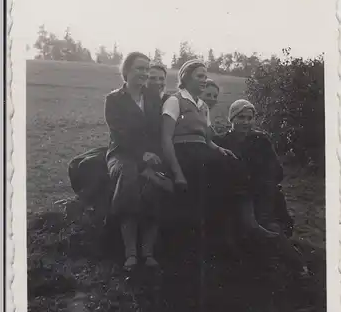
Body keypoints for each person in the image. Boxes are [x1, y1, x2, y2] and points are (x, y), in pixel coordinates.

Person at [161, 59, 278, 239]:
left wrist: (221, 150)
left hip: (202, 151)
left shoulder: (202, 106)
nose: (203, 80)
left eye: (205, 76)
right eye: (199, 76)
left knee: (234, 167)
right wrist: (177, 173)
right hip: (183, 152)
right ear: (186, 77)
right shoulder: (174, 100)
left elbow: (208, 140)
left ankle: (247, 222)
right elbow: (166, 138)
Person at [104, 52, 164, 269]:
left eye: (147, 69)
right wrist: (141, 156)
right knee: (128, 176)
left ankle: (147, 252)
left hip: (150, 153)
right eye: (140, 68)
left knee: (155, 183)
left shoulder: (153, 96)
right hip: (122, 153)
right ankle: (130, 252)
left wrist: (152, 156)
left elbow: (157, 131)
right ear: (127, 70)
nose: (144, 73)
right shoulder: (113, 99)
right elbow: (120, 134)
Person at [216, 99, 294, 236]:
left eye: (249, 118)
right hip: (235, 194)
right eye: (241, 117)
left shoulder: (261, 140)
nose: (246, 122)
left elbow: (275, 169)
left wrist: (262, 182)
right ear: (232, 119)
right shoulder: (222, 142)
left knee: (272, 224)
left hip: (261, 191)